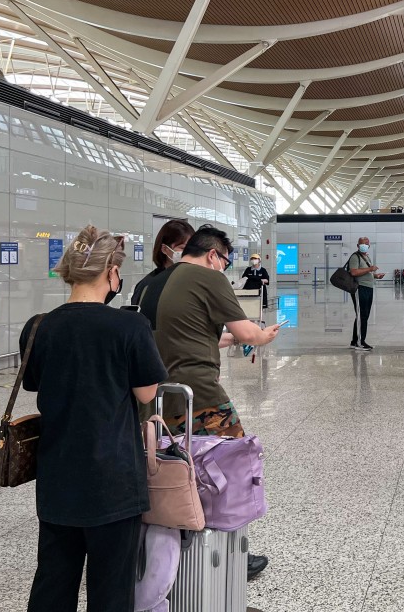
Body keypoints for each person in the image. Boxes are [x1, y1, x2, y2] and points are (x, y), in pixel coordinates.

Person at [19, 226, 167, 612]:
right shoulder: (129, 326)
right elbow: (146, 393)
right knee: (111, 587)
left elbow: (33, 384)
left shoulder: (38, 327)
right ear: (111, 273)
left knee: (53, 580)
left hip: (57, 475)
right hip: (113, 477)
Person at [151, 224, 280, 579]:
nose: (225, 267)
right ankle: (230, 554)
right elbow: (247, 331)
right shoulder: (210, 278)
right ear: (212, 255)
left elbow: (191, 334)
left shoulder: (172, 277)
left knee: (180, 467)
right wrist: (262, 336)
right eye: (224, 260)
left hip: (168, 393)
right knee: (234, 462)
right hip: (202, 393)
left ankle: (176, 544)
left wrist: (230, 341)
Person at [131, 219, 194, 308]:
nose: (189, 253)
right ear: (165, 249)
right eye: (182, 248)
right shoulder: (148, 285)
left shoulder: (192, 279)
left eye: (191, 248)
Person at [347, 237, 385, 351]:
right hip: (360, 288)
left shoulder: (366, 256)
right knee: (362, 315)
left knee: (364, 315)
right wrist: (370, 269)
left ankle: (355, 341)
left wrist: (375, 275)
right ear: (358, 245)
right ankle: (360, 342)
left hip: (368, 288)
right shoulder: (355, 256)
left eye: (367, 244)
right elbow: (353, 272)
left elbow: (366, 273)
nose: (365, 245)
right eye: (363, 244)